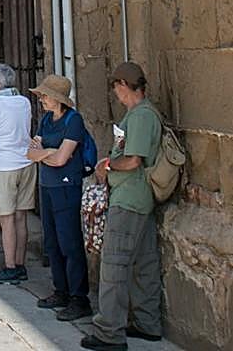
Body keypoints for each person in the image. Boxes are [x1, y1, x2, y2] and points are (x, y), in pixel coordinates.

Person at [82, 62, 163, 351]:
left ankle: (109, 332)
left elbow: (133, 160)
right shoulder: (139, 114)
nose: (115, 93)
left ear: (124, 86)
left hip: (129, 198)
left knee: (114, 265)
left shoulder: (141, 116)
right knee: (144, 264)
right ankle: (147, 323)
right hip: (137, 198)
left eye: (116, 86)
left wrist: (107, 166)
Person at [26, 75, 92, 322]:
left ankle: (79, 297)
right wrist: (47, 154)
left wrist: (44, 154)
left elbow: (62, 158)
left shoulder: (73, 121)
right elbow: (29, 153)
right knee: (52, 242)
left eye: (44, 95)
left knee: (70, 242)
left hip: (66, 187)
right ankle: (60, 290)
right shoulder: (45, 120)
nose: (41, 99)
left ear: (56, 99)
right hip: (47, 185)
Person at [0, 64, 35, 285]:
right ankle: (20, 264)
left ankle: (10, 266)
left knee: (6, 219)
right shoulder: (24, 102)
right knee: (21, 217)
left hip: (5, 165)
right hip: (26, 162)